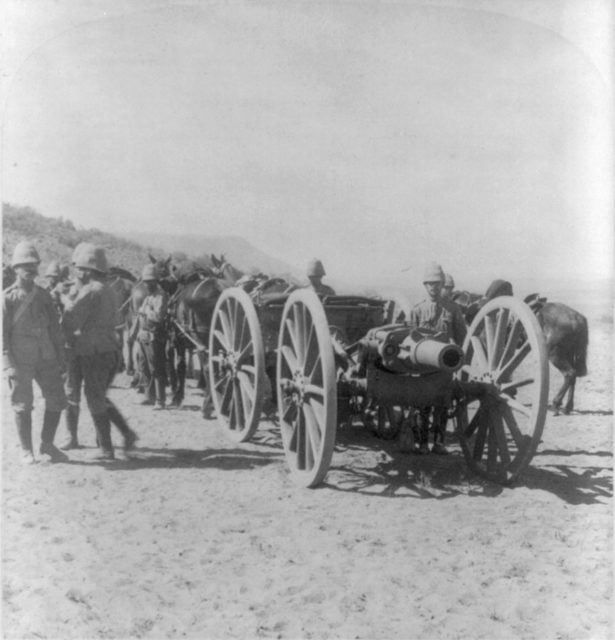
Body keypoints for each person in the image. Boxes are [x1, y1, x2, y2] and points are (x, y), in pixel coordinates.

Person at [61, 243, 137, 459]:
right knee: (97, 396)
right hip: (106, 348)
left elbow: (72, 317)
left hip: (90, 350)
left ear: (88, 270)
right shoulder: (110, 290)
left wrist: (64, 299)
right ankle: (122, 435)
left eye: (80, 269)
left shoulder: (91, 291)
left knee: (93, 397)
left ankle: (106, 448)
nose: (77, 272)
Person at [2, 241, 67, 464]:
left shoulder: (44, 295)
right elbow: (2, 335)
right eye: (24, 265)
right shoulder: (7, 298)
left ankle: (47, 444)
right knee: (22, 405)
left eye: (33, 265)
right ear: (15, 269)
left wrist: (61, 357)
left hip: (46, 356)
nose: (30, 269)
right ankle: (26, 450)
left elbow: (55, 330)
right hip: (20, 360)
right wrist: (7, 363)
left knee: (57, 399)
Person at [407, 262, 467, 455]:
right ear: (425, 285)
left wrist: (459, 366)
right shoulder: (417, 310)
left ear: (442, 285)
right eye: (430, 283)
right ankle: (423, 443)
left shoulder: (453, 309)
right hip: (423, 367)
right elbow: (409, 338)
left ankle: (439, 443)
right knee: (422, 405)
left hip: (445, 366)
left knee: (442, 405)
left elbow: (462, 338)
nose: (433, 287)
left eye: (437, 283)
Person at [130, 264, 169, 410]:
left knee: (156, 368)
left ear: (156, 281)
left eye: (150, 281)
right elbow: (140, 313)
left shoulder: (161, 295)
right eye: (145, 281)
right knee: (143, 365)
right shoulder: (148, 297)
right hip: (143, 335)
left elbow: (158, 316)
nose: (147, 284)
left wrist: (145, 312)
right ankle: (148, 396)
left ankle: (160, 400)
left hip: (154, 336)